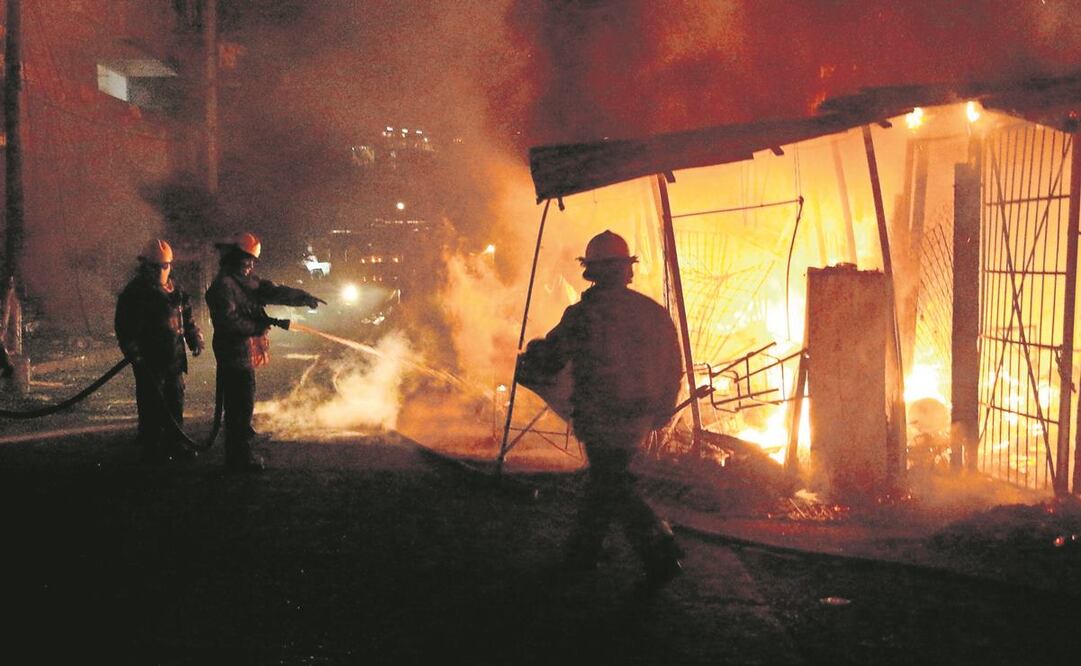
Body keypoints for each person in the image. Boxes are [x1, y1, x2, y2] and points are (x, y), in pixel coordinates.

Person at [518, 230, 685, 589]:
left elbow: (553, 355)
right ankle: (585, 551)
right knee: (607, 482)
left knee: (611, 484)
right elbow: (673, 364)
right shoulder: (651, 313)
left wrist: (529, 357)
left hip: (601, 415)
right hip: (638, 417)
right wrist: (664, 408)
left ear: (590, 272)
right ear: (626, 271)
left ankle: (661, 550)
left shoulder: (583, 315)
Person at [205, 231, 325, 472]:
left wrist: (303, 297)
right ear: (235, 257)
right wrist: (258, 326)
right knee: (239, 408)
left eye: (252, 261)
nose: (250, 264)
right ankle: (239, 458)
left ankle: (239, 454)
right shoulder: (224, 286)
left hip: (243, 354)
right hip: (233, 355)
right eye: (247, 259)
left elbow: (274, 291)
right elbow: (228, 322)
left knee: (243, 405)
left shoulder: (245, 282)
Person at [115, 239, 204, 462]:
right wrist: (133, 351)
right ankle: (152, 446)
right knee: (151, 403)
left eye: (164, 266)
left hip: (173, 358)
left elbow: (187, 318)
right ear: (146, 266)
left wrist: (194, 338)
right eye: (156, 267)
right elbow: (124, 326)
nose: (161, 271)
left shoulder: (176, 291)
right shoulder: (135, 293)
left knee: (175, 401)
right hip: (149, 360)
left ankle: (175, 443)